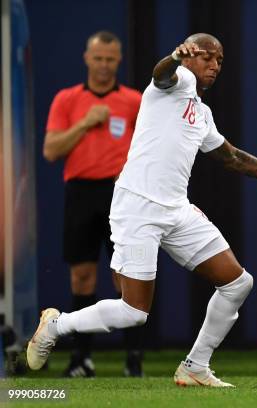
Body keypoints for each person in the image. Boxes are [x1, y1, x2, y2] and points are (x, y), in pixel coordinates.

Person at [28, 33, 257, 387]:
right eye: (207, 57)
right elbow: (161, 74)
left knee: (237, 283)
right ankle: (56, 325)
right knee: (134, 312)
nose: (214, 65)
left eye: (220, 60)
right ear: (188, 58)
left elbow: (232, 157)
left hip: (176, 209)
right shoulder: (174, 83)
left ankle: (195, 366)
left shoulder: (202, 113)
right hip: (138, 206)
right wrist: (173, 57)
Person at [42, 31, 144, 377]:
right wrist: (85, 123)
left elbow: (149, 149)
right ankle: (81, 360)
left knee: (125, 277)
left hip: (121, 194)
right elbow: (51, 150)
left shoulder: (134, 101)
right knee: (81, 277)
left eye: (110, 59)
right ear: (87, 58)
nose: (103, 65)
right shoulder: (67, 100)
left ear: (119, 60)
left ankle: (134, 361)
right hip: (81, 193)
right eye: (98, 58)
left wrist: (130, 175)